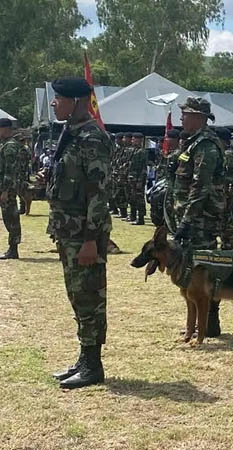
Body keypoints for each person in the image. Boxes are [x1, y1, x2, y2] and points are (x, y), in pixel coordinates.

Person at [44, 77, 112, 389]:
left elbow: (98, 192)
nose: (54, 103)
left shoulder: (92, 138)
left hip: (84, 234)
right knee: (77, 296)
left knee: (90, 298)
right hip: (68, 231)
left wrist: (90, 240)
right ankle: (84, 358)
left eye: (59, 98)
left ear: (76, 102)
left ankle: (93, 365)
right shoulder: (71, 133)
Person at [170, 97, 227, 336]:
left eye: (185, 114)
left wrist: (187, 220)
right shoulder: (192, 143)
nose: (181, 118)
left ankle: (210, 321)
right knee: (190, 271)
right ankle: (196, 323)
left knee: (204, 269)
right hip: (193, 217)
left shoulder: (205, 145)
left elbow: (200, 187)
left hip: (200, 219)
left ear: (198, 117)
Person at [0, 118, 24, 259]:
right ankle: (12, 248)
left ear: (5, 128)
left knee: (11, 217)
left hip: (7, 188)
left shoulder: (10, 146)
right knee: (8, 216)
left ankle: (13, 249)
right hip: (5, 187)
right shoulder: (6, 144)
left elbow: (10, 171)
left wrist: (5, 191)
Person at [216, 127, 233, 250]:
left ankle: (228, 243)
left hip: (225, 190)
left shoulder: (228, 154)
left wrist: (226, 193)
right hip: (221, 190)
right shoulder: (222, 152)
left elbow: (229, 175)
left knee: (225, 218)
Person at [127, 133, 147, 225]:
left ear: (139, 140)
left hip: (138, 179)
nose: (132, 141)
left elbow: (143, 168)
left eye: (134, 139)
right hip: (132, 178)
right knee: (132, 198)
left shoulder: (142, 152)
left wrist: (140, 181)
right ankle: (133, 215)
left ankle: (141, 218)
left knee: (139, 199)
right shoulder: (134, 151)